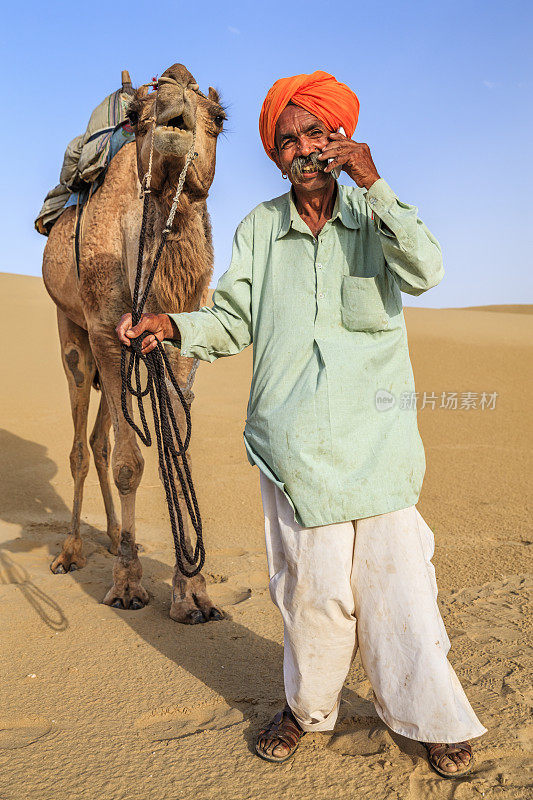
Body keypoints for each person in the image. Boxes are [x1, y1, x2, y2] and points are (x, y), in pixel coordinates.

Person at [116, 70, 486, 778]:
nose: (301, 150)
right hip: (293, 447)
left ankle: (431, 717)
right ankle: (307, 710)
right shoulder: (260, 228)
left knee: (398, 589)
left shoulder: (376, 217)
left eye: (314, 134)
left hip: (377, 443)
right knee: (310, 594)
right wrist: (169, 325)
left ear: (338, 137)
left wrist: (375, 186)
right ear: (277, 156)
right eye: (286, 141)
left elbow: (428, 269)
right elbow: (231, 320)